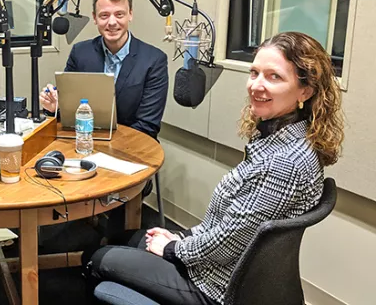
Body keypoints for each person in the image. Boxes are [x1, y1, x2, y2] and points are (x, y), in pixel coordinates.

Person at [83, 32, 345, 304]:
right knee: (127, 239)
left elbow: (228, 242)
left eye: (274, 76)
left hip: (216, 285)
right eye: (254, 73)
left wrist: (173, 248)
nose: (256, 85)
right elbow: (231, 222)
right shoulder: (282, 139)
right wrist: (181, 236)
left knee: (97, 257)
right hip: (223, 264)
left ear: (306, 90)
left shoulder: (285, 162)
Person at [40, 0, 169, 139]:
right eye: (104, 15)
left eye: (119, 14)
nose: (112, 22)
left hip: (132, 147)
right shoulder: (80, 53)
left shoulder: (154, 60)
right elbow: (69, 112)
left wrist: (107, 145)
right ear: (94, 18)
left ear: (130, 15)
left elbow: (148, 126)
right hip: (86, 142)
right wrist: (55, 108)